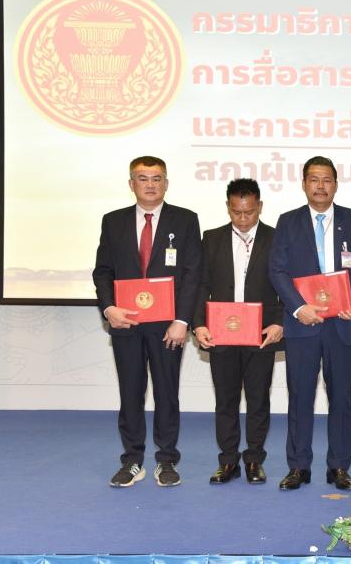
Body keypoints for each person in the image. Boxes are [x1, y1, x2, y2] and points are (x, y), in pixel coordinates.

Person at [268, 156, 351, 491]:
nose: (320, 186)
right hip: (303, 324)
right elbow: (277, 270)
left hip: (342, 324)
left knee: (341, 398)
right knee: (299, 397)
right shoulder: (288, 222)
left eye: (327, 180)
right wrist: (298, 307)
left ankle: (339, 467)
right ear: (304, 184)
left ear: (336, 184)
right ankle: (298, 466)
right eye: (314, 179)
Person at [93, 156, 202, 488]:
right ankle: (132, 460)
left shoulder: (185, 220)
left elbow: (192, 274)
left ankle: (167, 459)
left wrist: (182, 320)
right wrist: (109, 308)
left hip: (168, 326)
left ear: (166, 183)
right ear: (132, 184)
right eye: (143, 178)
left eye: (157, 178)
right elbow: (103, 271)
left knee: (167, 392)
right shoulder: (113, 221)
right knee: (130, 392)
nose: (150, 184)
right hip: (125, 322)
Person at [192, 178, 284, 485]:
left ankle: (254, 459)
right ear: (228, 207)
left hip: (262, 334)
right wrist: (199, 323)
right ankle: (228, 460)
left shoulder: (276, 238)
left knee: (258, 400)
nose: (243, 219)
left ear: (260, 206)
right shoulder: (211, 238)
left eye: (249, 212)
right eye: (236, 212)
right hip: (222, 334)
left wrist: (281, 322)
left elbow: (289, 285)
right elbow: (201, 285)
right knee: (225, 400)